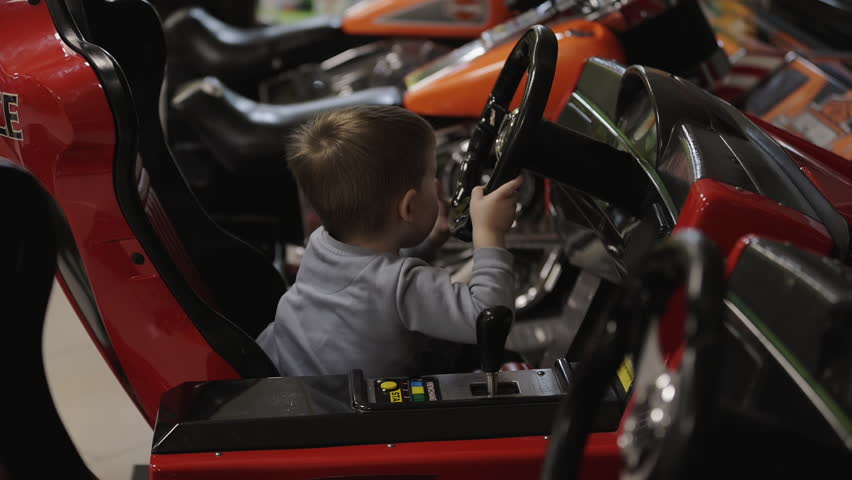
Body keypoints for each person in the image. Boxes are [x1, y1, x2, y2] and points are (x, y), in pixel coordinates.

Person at [256, 105, 522, 377]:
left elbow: (370, 272)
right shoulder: (402, 287)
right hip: (348, 411)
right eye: (432, 177)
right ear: (408, 208)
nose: (438, 184)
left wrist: (429, 242)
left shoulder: (322, 242)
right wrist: (490, 233)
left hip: (285, 370)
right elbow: (489, 319)